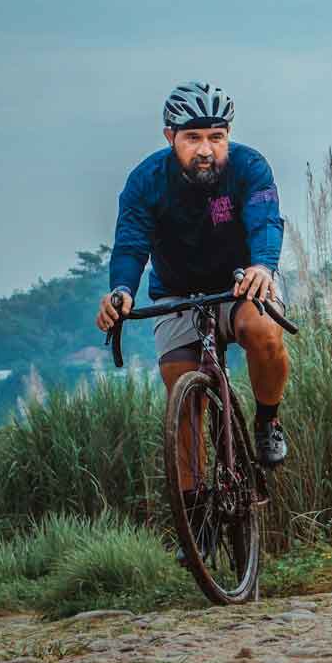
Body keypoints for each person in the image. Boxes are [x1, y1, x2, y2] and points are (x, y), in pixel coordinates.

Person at [95, 82, 290, 481]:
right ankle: (194, 509)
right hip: (177, 295)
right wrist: (121, 291)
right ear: (171, 137)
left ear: (228, 135)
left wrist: (263, 266)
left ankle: (267, 420)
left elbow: (266, 221)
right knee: (183, 399)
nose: (206, 149)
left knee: (263, 331)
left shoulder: (250, 167)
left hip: (242, 284)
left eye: (216, 137)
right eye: (193, 138)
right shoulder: (146, 180)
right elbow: (131, 243)